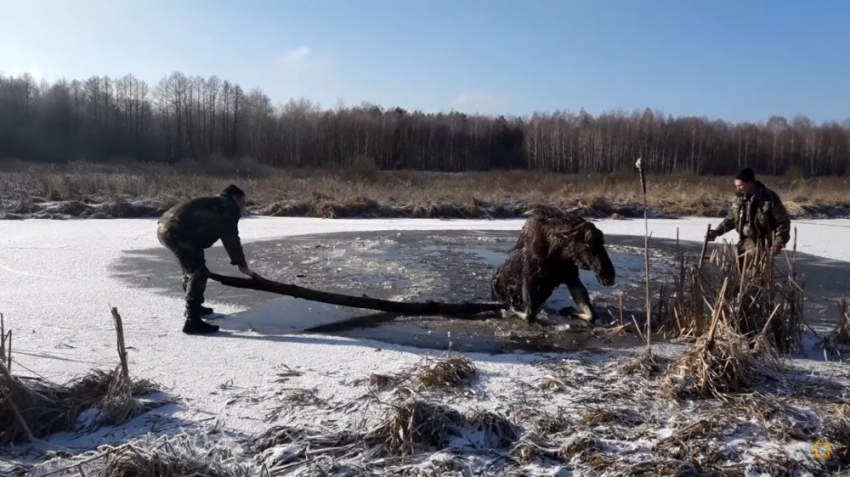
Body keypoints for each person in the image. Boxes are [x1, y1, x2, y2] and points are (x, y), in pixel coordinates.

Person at [156, 184, 256, 335]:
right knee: (198, 273)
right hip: (177, 232)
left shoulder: (215, 203)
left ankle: (195, 308)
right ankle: (192, 321)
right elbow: (231, 238)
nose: (244, 205)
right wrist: (240, 262)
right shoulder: (227, 207)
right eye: (242, 201)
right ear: (235, 198)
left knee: (192, 269)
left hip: (167, 230)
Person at [706, 168, 791, 264]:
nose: (738, 188)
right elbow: (731, 219)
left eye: (740, 185)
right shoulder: (738, 198)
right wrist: (717, 232)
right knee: (735, 266)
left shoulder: (769, 198)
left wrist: (778, 243)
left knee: (757, 273)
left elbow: (783, 222)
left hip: (763, 244)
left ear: (750, 182)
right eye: (736, 186)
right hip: (744, 242)